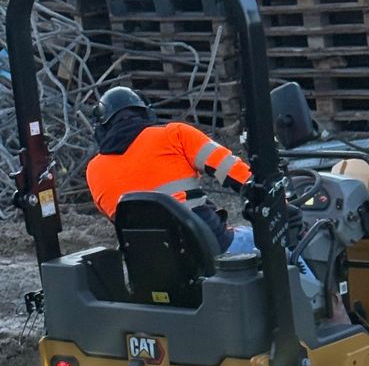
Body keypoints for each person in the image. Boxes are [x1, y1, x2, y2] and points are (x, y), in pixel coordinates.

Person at [86, 86, 254, 254]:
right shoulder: (175, 135)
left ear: (101, 129)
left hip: (154, 265)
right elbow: (235, 172)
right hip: (210, 248)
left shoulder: (93, 171)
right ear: (146, 113)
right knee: (264, 239)